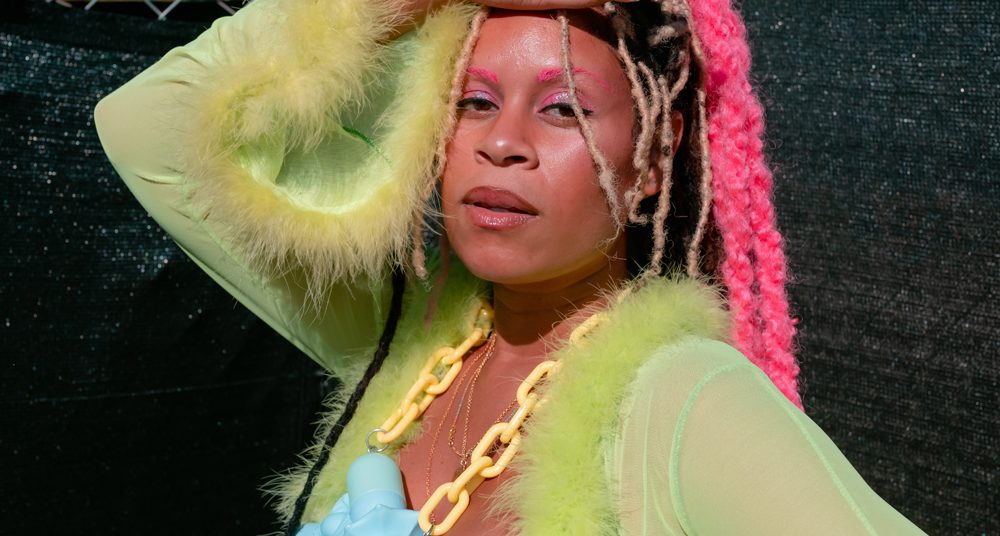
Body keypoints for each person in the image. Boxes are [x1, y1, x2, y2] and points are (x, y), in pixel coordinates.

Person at [94, 0, 927, 534]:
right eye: (474, 101)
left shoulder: (683, 399)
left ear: (651, 159)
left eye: (563, 108)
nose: (502, 142)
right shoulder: (403, 333)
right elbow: (151, 128)